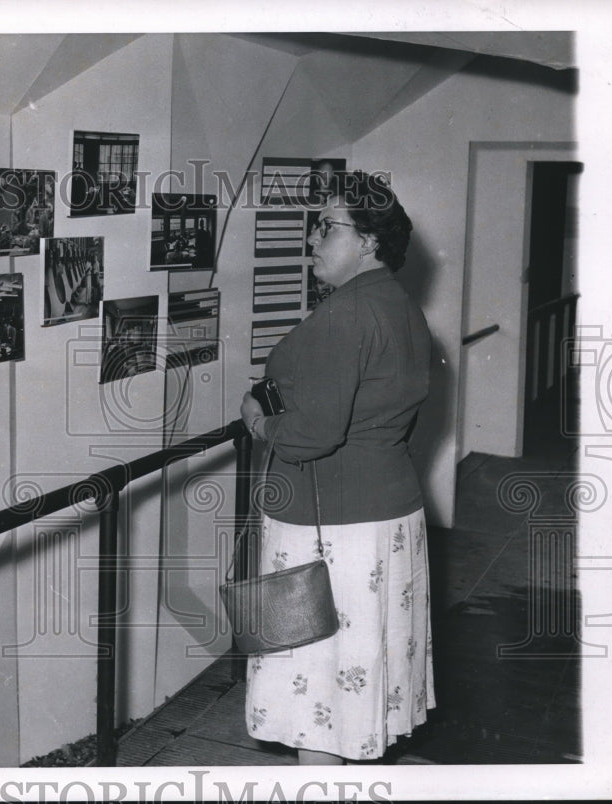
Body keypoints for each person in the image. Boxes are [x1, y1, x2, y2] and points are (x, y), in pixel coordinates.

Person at [239, 170, 434, 765]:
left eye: (327, 226)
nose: (312, 241)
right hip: (384, 518)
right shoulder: (398, 304)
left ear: (370, 239)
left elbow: (308, 436)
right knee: (350, 687)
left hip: (325, 528)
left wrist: (258, 418)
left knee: (313, 702)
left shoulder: (345, 313)